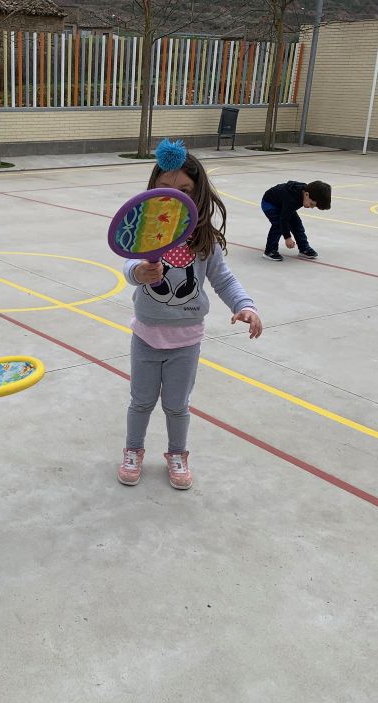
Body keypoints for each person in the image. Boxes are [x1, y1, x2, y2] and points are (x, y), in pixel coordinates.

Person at [119, 139, 263, 490]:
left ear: (196, 194)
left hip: (186, 342)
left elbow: (223, 279)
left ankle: (177, 454)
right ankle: (133, 449)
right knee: (141, 401)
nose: (173, 196)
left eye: (184, 190)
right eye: (165, 188)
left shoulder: (203, 240)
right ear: (152, 189)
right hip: (146, 336)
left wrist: (244, 306)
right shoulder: (146, 232)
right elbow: (129, 266)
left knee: (177, 405)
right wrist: (139, 272)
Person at [261, 179, 331, 261]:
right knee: (278, 225)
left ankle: (303, 248)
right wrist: (287, 238)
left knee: (297, 224)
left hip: (283, 205)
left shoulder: (305, 192)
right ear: (307, 194)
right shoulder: (292, 199)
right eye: (312, 204)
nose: (311, 207)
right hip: (270, 204)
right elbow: (283, 219)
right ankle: (269, 251)